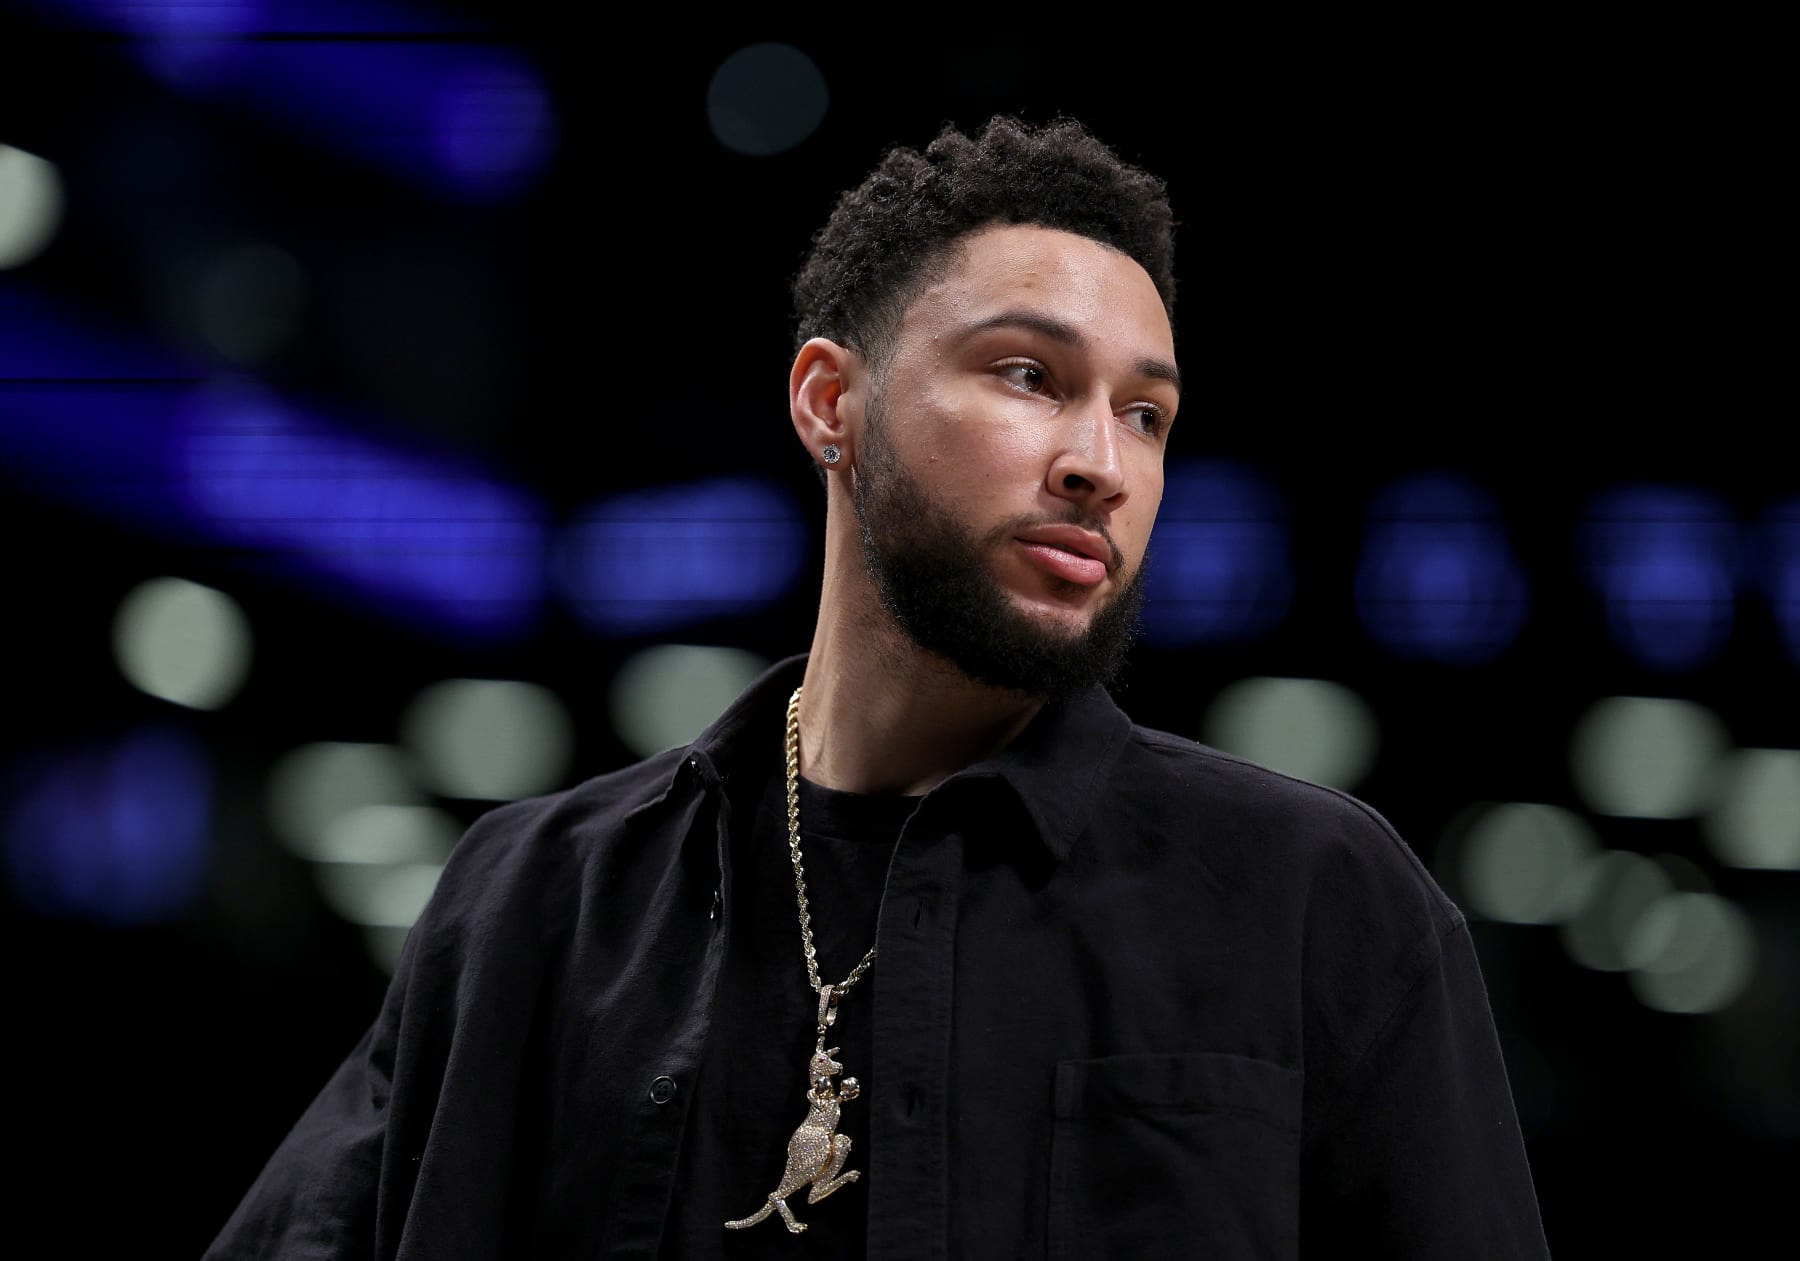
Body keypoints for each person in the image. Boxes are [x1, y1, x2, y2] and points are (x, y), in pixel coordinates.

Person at [207, 115, 1553, 1260]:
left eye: (1146, 413)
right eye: (1030, 375)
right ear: (829, 402)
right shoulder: (534, 907)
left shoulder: (1320, 899)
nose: (1103, 461)